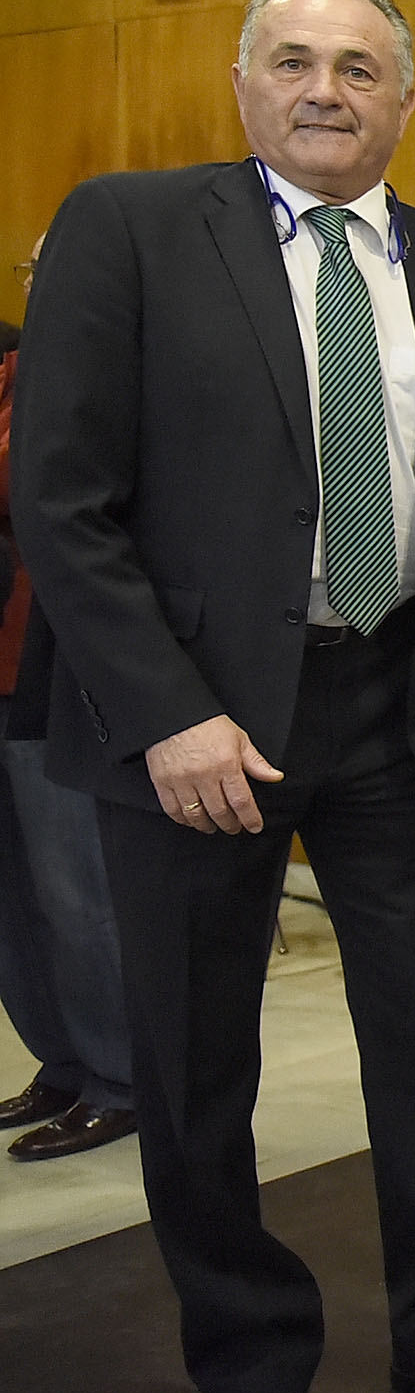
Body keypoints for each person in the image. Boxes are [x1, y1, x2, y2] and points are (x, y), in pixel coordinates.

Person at [12, 0, 415, 1393]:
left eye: (363, 67)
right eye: (297, 61)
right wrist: (167, 710)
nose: (329, 89)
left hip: (400, 713)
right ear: (244, 83)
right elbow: (62, 502)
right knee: (197, 1071)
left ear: (406, 100)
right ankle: (251, 1374)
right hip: (199, 725)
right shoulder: (128, 232)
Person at [2, 282, 138, 1163]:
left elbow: (35, 485)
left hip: (44, 668)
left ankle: (120, 1075)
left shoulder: (45, 367)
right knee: (13, 893)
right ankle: (60, 1055)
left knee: (75, 889)